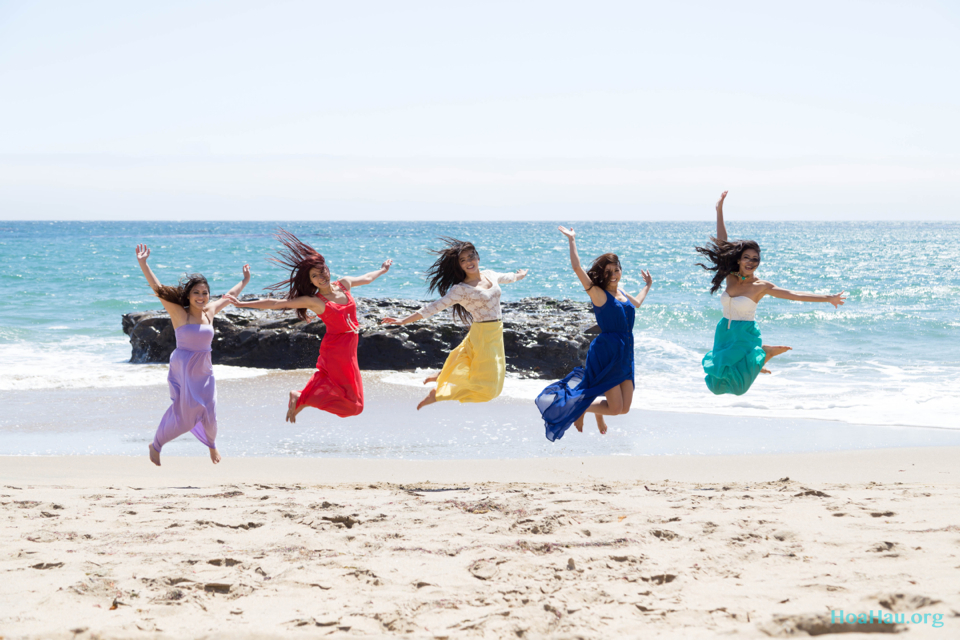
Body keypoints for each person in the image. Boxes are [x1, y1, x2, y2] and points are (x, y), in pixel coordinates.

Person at [224, 229, 391, 423]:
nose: (321, 277)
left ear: (327, 269)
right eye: (315, 276)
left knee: (356, 405)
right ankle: (302, 398)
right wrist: (242, 304)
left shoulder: (344, 283)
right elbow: (277, 303)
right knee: (353, 405)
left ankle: (301, 396)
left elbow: (367, 278)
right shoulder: (315, 301)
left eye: (322, 271)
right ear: (310, 281)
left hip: (350, 347)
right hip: (336, 349)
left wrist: (382, 270)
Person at [694, 191, 846, 395]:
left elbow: (794, 294)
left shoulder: (761, 286)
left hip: (744, 333)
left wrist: (829, 298)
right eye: (746, 257)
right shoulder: (730, 277)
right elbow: (723, 243)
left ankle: (763, 354)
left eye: (755, 259)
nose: (750, 262)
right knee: (715, 385)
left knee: (738, 389)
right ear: (739, 259)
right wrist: (719, 210)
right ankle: (758, 360)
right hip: (724, 331)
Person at [135, 243, 250, 466]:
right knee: (186, 416)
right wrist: (143, 263)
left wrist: (244, 280)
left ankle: (212, 444)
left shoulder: (210, 311)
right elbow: (157, 288)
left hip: (205, 369)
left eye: (204, 293)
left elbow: (230, 295)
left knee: (211, 412)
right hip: (185, 366)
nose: (201, 297)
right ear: (188, 295)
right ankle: (156, 444)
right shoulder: (179, 313)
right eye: (196, 293)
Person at [380, 237, 528, 410]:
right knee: (489, 387)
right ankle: (438, 394)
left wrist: (520, 275)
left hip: (496, 331)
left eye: (471, 257)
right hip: (483, 333)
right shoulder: (460, 289)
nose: (468, 262)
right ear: (459, 266)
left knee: (486, 374)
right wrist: (404, 320)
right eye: (463, 260)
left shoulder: (490, 274)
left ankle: (441, 376)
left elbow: (508, 277)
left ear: (478, 257)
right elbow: (434, 307)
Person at [536, 227, 652, 440]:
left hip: (626, 351)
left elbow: (637, 303)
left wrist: (648, 286)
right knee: (616, 408)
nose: (614, 275)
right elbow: (577, 267)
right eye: (609, 271)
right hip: (607, 351)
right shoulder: (598, 293)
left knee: (624, 409)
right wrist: (572, 240)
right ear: (603, 273)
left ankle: (589, 409)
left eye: (617, 270)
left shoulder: (623, 292)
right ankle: (582, 409)